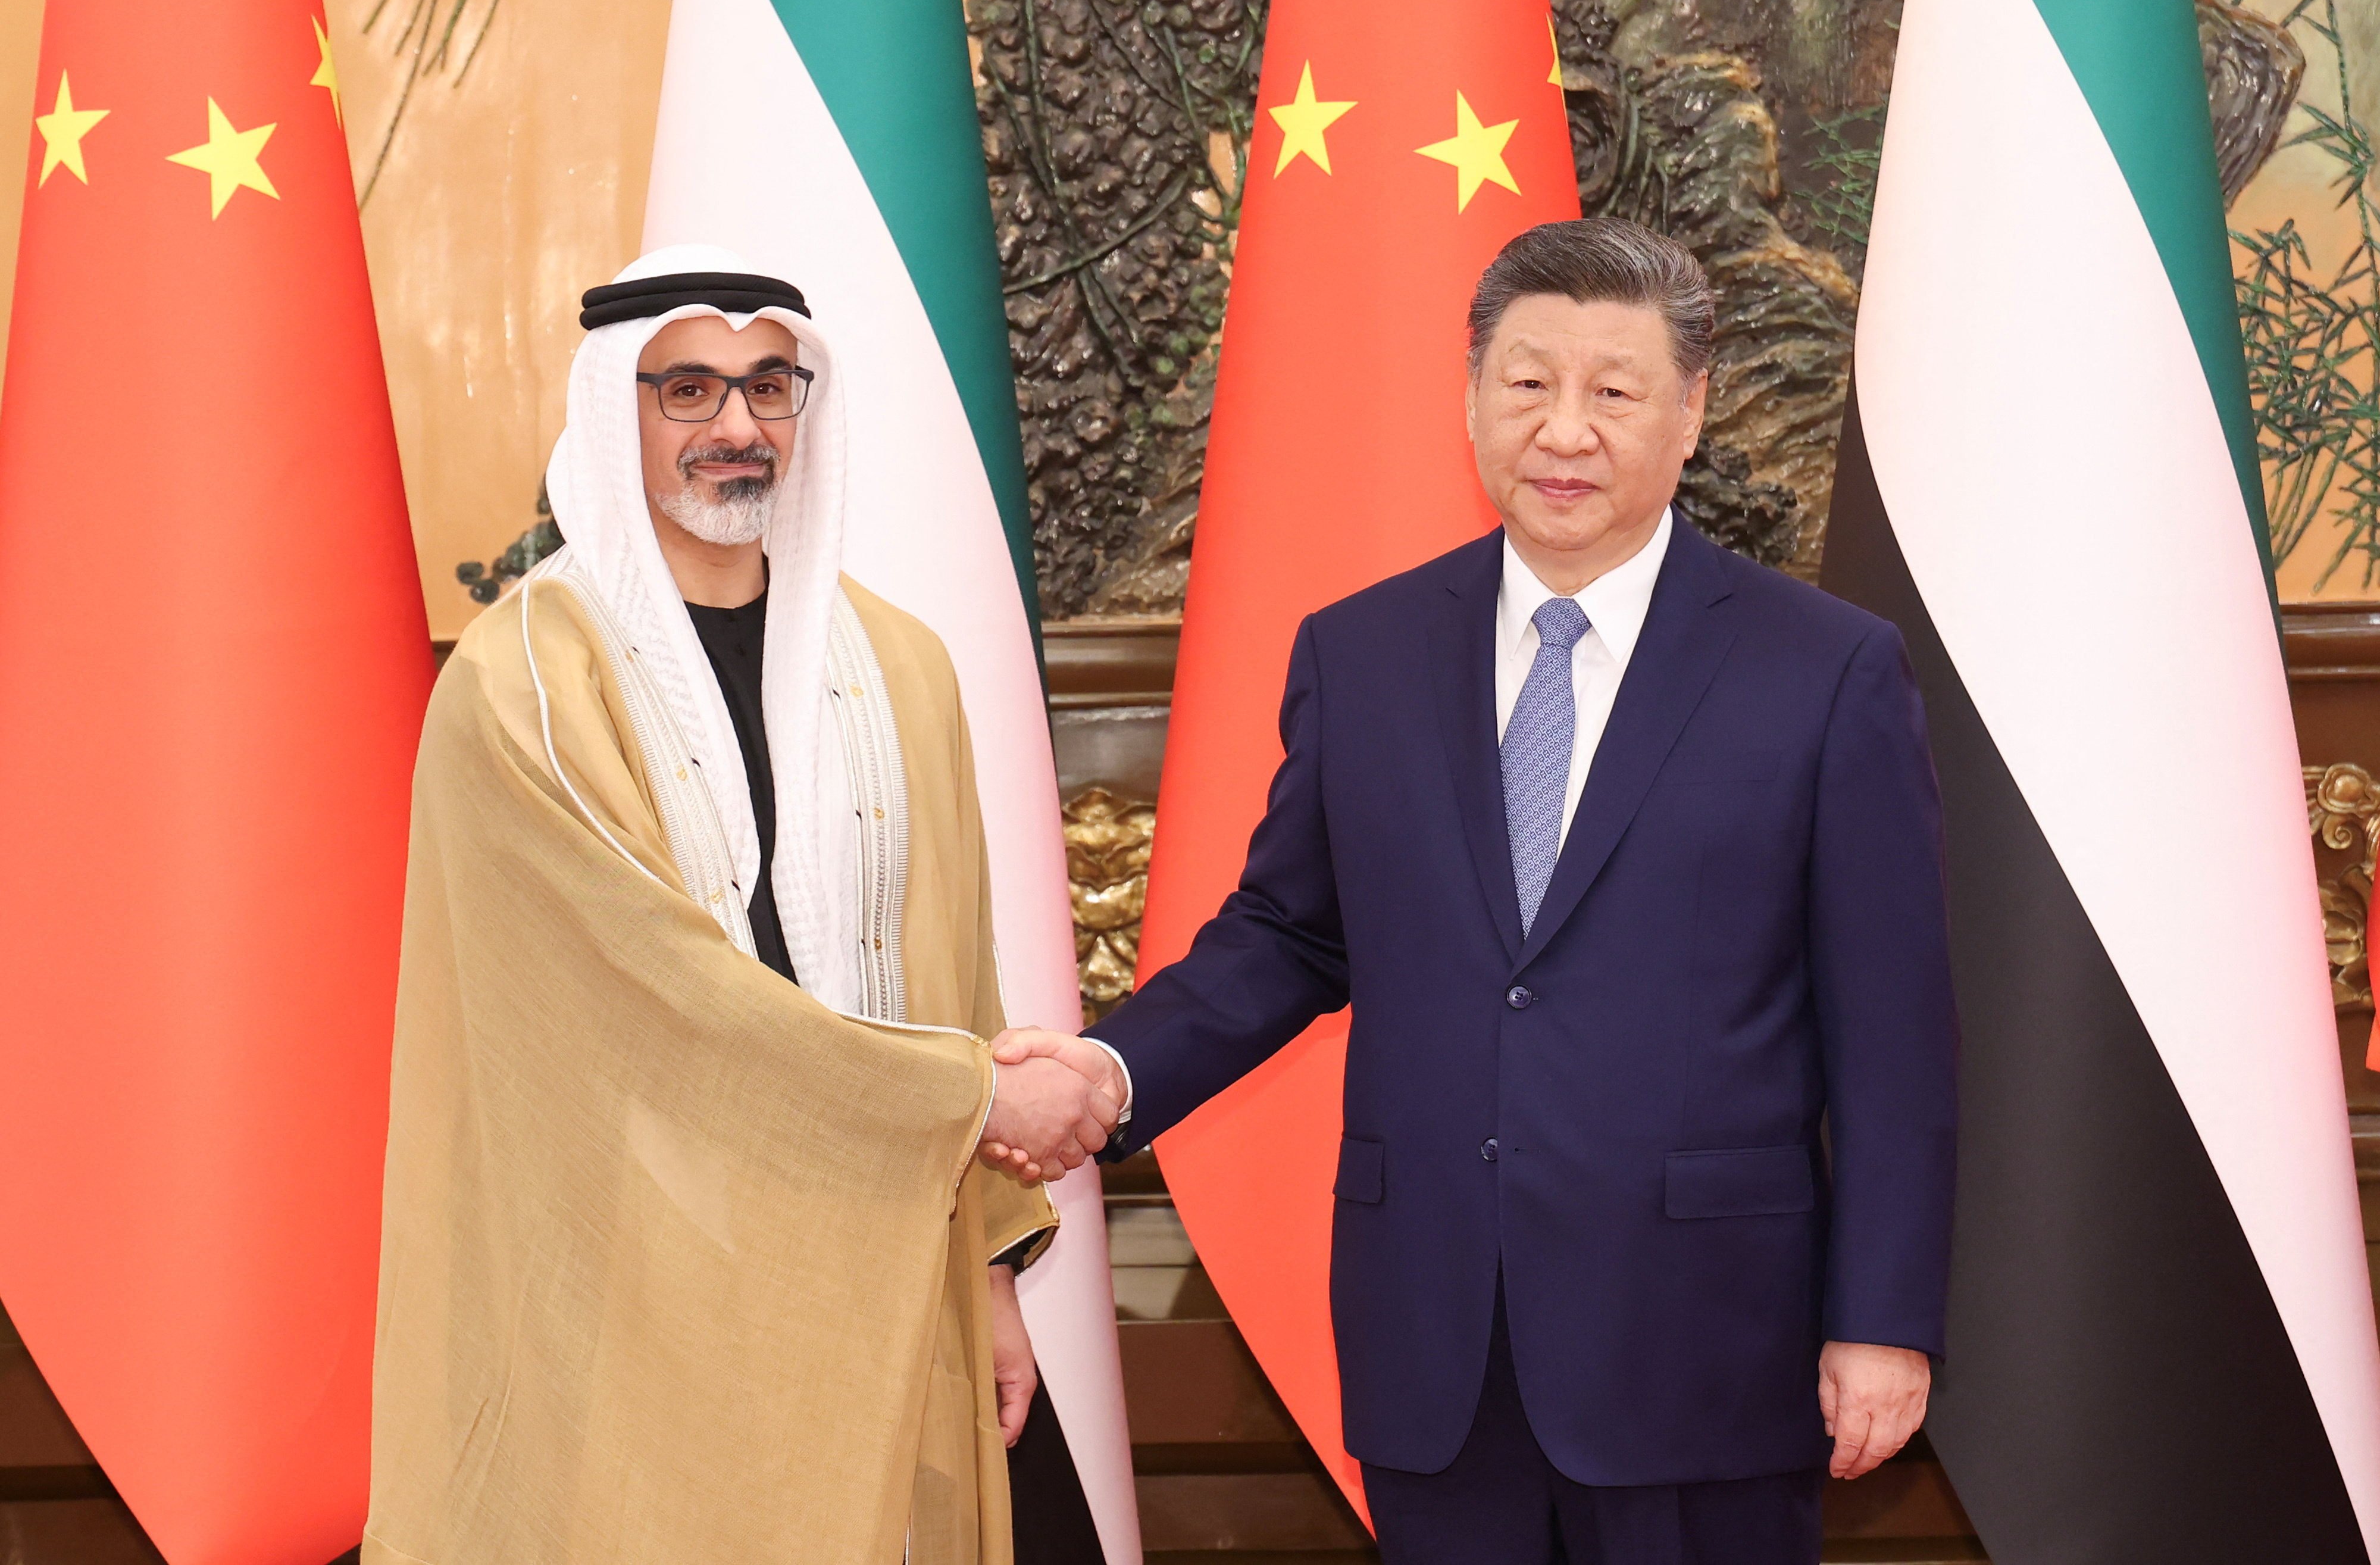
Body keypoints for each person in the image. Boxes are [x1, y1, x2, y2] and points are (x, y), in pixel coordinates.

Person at [993, 218, 1960, 1565]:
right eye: (1526, 383)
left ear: (1690, 412)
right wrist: (1107, 1072)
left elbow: (1893, 1035)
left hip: (1701, 1347)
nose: (1564, 429)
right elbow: (1285, 935)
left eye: (1613, 392)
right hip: (1437, 1341)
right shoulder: (1363, 652)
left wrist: (1883, 1319)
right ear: (1469, 398)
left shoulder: (1826, 671)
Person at [365, 248, 1115, 1565]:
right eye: (689, 390)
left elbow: (952, 981)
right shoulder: (525, 684)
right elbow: (667, 1000)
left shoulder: (898, 665)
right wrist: (974, 1098)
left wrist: (991, 1274)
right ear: (617, 413)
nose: (735, 428)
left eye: (770, 388)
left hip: (892, 1259)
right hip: (648, 1287)